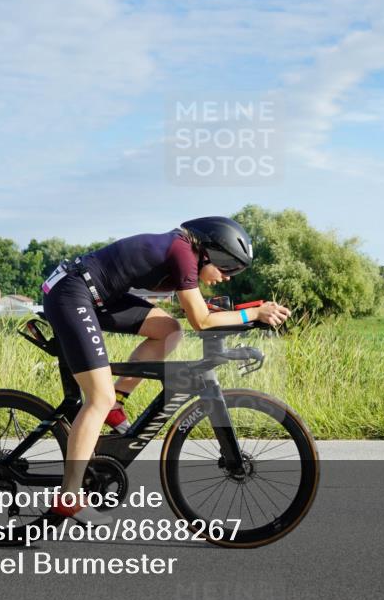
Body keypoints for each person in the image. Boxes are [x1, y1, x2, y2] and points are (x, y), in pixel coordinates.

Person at [40, 216, 291, 521]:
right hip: (71, 292)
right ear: (212, 252)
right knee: (97, 398)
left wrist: (246, 315)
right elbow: (202, 320)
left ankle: (116, 400)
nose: (227, 277)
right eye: (228, 268)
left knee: (169, 331)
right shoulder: (183, 254)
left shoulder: (184, 252)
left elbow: (199, 312)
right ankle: (69, 493)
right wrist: (254, 312)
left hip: (97, 294)